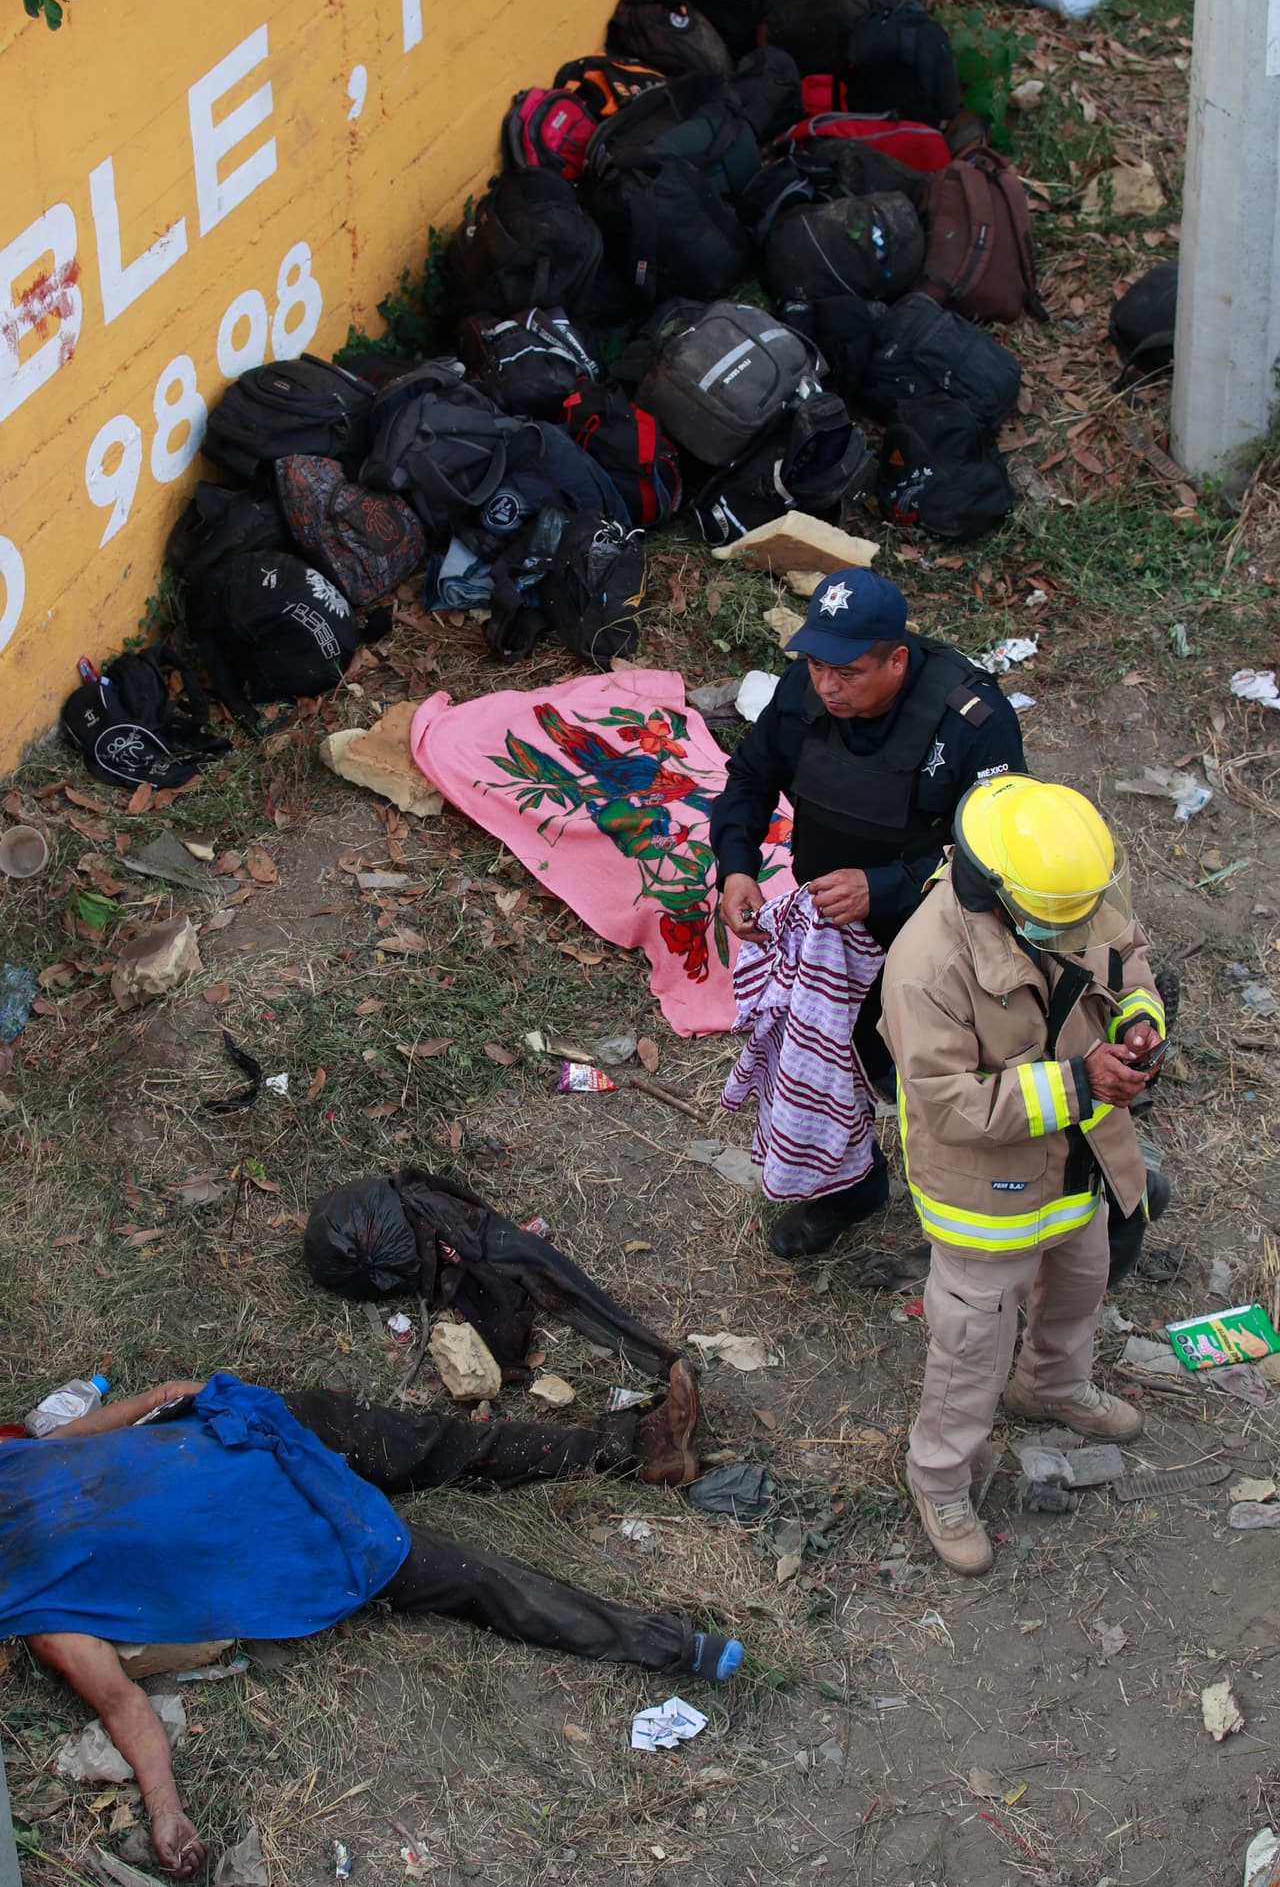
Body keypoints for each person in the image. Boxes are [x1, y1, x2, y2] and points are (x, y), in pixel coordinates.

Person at [5, 1363, 732, 1876]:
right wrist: (166, 1809)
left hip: (265, 1436)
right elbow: (123, 1702)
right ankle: (672, 1644)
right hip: (299, 1544)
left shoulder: (21, 1459)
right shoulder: (41, 1612)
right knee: (478, 1580)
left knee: (443, 1445)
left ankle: (634, 1448)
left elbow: (148, 1404)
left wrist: (211, 1396)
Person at [879, 776, 1166, 1575]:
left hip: (1077, 1164)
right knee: (973, 1337)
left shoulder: (1063, 884)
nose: (1078, 927)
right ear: (998, 892)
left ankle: (1051, 1384)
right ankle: (939, 1475)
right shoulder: (925, 963)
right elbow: (947, 1104)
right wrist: (1082, 1084)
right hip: (985, 1195)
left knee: (1081, 1279)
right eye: (1061, 920)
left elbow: (1125, 951)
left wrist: (1140, 1018)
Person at [710, 567, 1025, 1258]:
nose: (827, 685)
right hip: (832, 934)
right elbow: (750, 777)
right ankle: (851, 1186)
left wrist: (884, 886)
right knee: (828, 1058)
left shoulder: (972, 721)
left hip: (941, 935)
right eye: (817, 664)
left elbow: (999, 857)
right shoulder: (805, 691)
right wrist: (734, 864)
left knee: (933, 1078)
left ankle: (988, 1197)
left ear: (896, 659)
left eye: (848, 672)